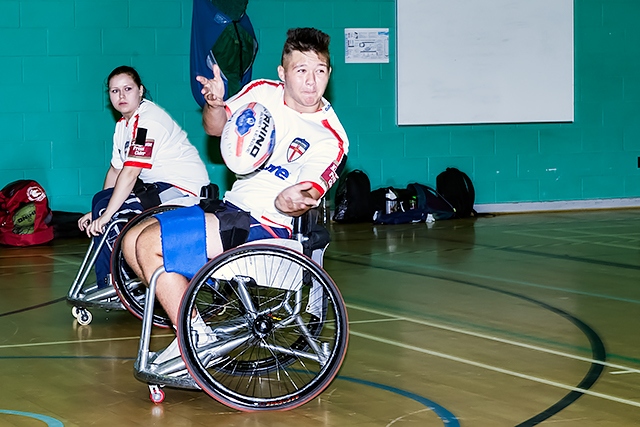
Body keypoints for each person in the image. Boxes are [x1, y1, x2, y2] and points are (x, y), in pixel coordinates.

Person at [122, 27, 349, 365]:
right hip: (232, 209)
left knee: (149, 246)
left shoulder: (330, 136)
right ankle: (195, 330)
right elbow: (216, 127)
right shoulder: (262, 92)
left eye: (320, 71)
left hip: (265, 225)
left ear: (329, 74)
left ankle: (194, 338)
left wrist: (296, 198)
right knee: (131, 242)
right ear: (283, 73)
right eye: (302, 70)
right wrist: (214, 103)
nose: (311, 81)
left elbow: (312, 187)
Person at [78, 66, 210, 289]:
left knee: (109, 212)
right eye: (114, 91)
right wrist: (99, 210)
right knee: (101, 203)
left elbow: (130, 173)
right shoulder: (123, 126)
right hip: (157, 188)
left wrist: (106, 214)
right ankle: (116, 279)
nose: (121, 96)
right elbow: (115, 171)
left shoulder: (148, 122)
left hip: (182, 192)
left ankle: (114, 284)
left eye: (127, 89)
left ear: (140, 90)